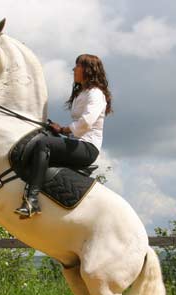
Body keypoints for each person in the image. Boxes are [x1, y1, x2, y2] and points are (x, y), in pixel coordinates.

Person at [14, 54, 113, 218]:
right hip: (77, 143)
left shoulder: (95, 93)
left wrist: (63, 130)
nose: (74, 69)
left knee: (43, 144)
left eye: (77, 66)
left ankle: (32, 200)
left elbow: (86, 123)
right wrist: (57, 130)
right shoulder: (82, 93)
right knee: (43, 136)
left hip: (87, 148)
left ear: (88, 70)